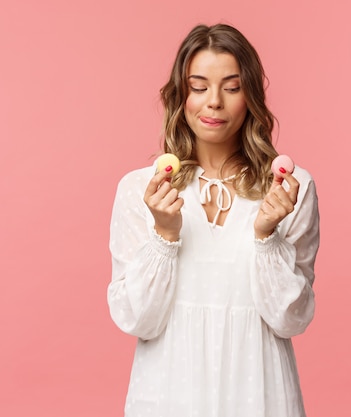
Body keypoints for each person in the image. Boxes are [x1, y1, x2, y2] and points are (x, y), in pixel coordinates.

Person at [107, 23, 320, 417]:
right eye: (199, 86)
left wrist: (265, 235)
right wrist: (164, 236)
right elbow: (137, 319)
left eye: (232, 87)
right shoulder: (142, 189)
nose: (214, 102)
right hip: (168, 393)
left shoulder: (289, 187)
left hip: (261, 394)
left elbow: (291, 319)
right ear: (180, 95)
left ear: (251, 95)